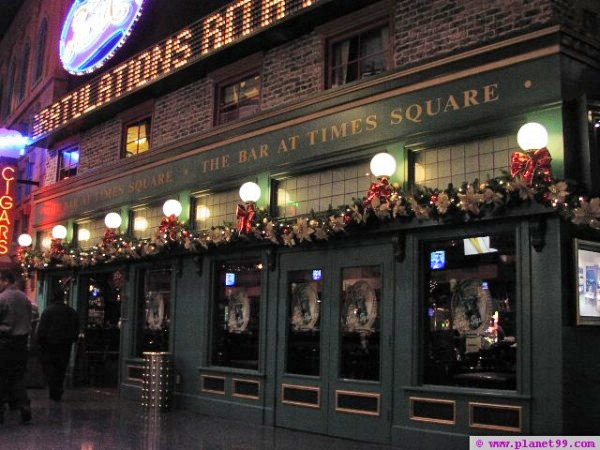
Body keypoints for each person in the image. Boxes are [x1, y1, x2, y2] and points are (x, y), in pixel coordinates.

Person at [0, 271, 32, 424]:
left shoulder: (2, 298)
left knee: (2, 376)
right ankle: (24, 404)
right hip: (22, 343)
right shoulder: (24, 298)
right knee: (18, 376)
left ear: (5, 281)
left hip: (5, 343)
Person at [37, 291, 80, 402]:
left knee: (51, 368)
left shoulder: (47, 311)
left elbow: (41, 330)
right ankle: (58, 389)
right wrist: (72, 339)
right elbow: (76, 328)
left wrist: (41, 343)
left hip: (50, 345)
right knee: (61, 368)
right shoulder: (71, 311)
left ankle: (54, 390)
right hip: (65, 345)